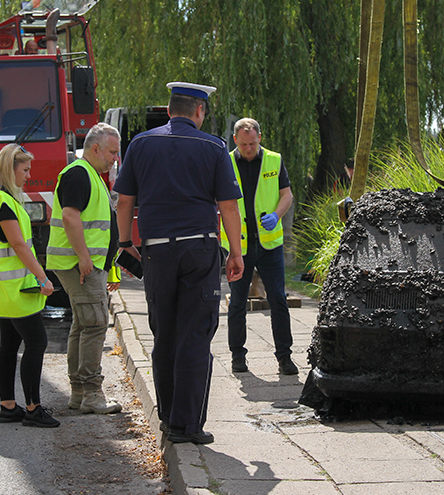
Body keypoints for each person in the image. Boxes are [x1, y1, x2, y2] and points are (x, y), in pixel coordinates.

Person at [114, 81, 244, 446]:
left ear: (169, 109)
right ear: (199, 111)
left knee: (165, 335)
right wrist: (236, 252)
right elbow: (228, 206)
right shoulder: (214, 146)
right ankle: (189, 426)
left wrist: (127, 243)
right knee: (195, 335)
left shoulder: (140, 144)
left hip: (156, 252)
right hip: (199, 251)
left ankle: (169, 421)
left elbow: (124, 202)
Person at [0, 143, 58, 428]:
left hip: (3, 289)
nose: (29, 175)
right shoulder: (5, 203)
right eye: (25, 169)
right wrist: (43, 278)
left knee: (9, 346)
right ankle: (33, 408)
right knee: (37, 343)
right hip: (15, 291)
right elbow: (19, 245)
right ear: (10, 169)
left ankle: (8, 407)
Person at [47, 123, 123, 414]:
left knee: (84, 325)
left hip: (81, 262)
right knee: (94, 324)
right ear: (95, 148)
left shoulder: (88, 174)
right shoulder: (80, 174)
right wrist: (84, 258)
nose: (115, 158)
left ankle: (80, 393)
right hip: (79, 264)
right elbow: (70, 217)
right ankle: (91, 394)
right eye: (112, 152)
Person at [220, 118, 297, 375]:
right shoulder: (225, 162)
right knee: (237, 302)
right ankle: (237, 356)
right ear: (235, 141)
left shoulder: (274, 160)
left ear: (260, 138)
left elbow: (286, 195)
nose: (249, 148)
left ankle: (285, 357)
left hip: (269, 243)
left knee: (278, 299)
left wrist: (276, 214)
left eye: (252, 143)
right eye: (243, 144)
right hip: (237, 245)